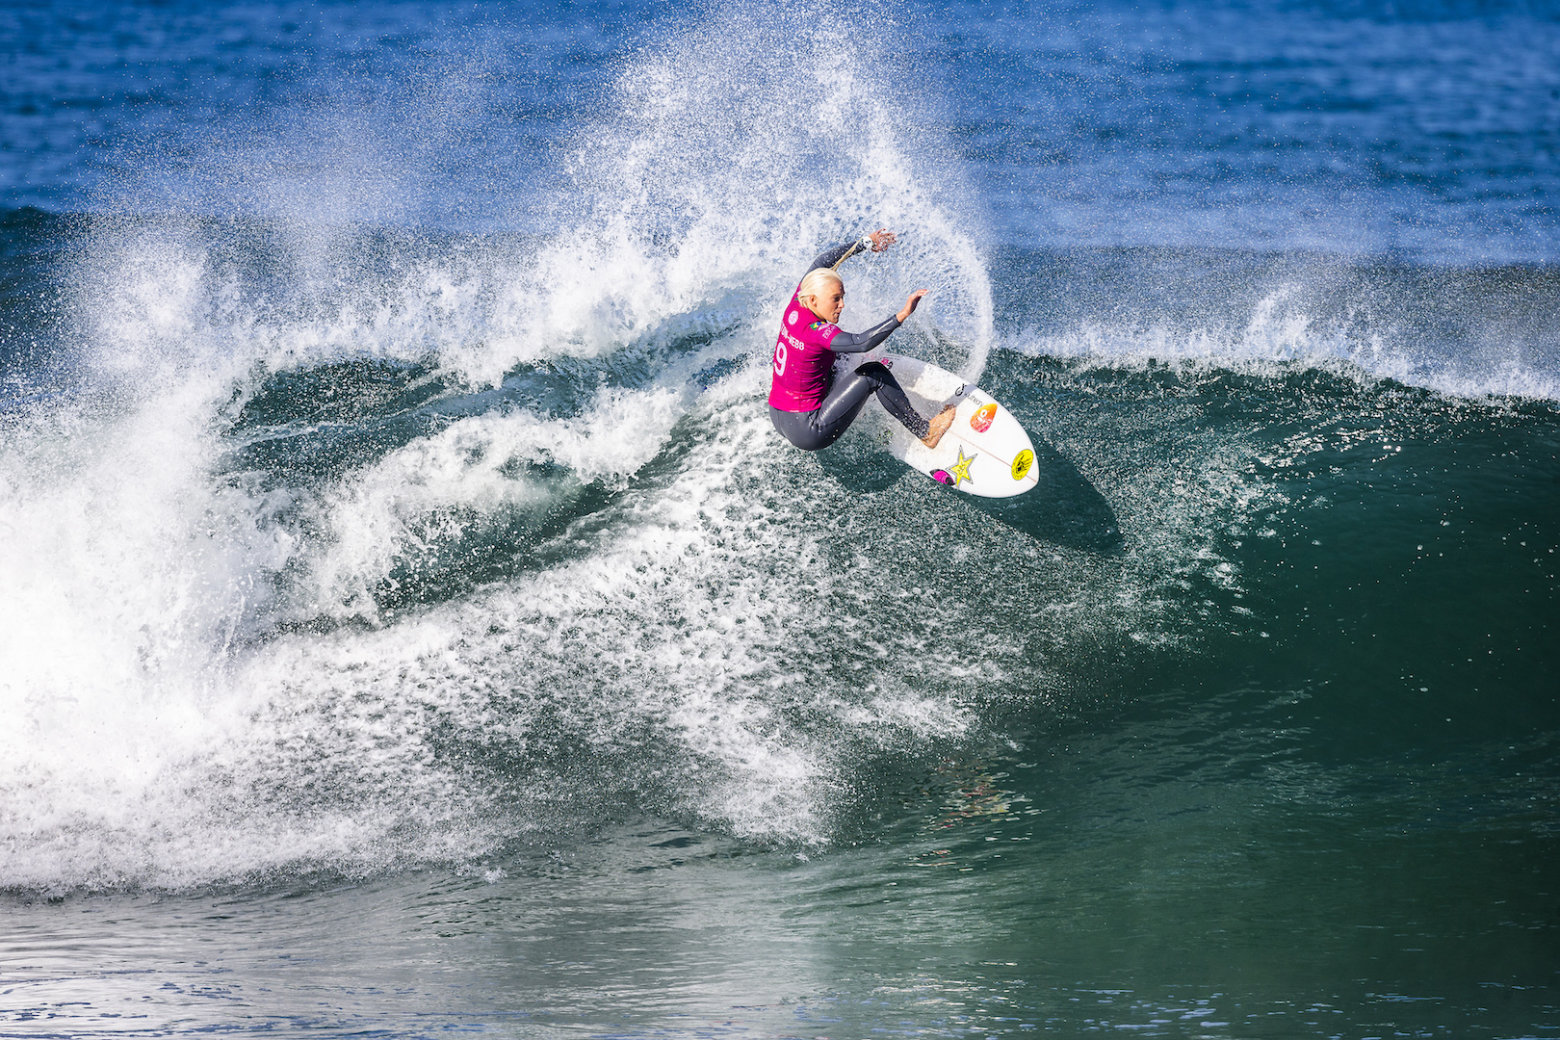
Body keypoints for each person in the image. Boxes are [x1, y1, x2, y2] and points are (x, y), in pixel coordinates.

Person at [768, 228, 955, 452]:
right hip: (810, 429)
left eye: (842, 297)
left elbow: (821, 262)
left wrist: (865, 243)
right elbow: (861, 342)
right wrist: (903, 314)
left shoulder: (798, 303)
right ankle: (925, 431)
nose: (842, 305)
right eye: (835, 299)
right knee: (873, 373)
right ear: (814, 300)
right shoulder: (816, 332)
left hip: (779, 415)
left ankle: (853, 399)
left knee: (840, 356)